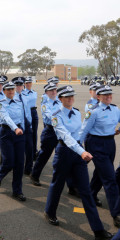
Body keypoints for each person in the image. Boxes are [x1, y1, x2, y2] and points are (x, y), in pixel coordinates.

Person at [44, 85, 113, 240]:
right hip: (64, 153)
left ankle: (98, 230)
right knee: (57, 184)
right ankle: (49, 211)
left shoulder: (76, 113)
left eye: (72, 96)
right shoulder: (56, 116)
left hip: (78, 154)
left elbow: (80, 132)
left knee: (86, 192)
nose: (70, 99)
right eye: (67, 97)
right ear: (60, 99)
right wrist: (82, 151)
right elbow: (67, 137)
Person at [80, 85, 120, 228]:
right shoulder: (93, 111)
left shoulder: (115, 109)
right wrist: (79, 150)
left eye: (110, 94)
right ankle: (117, 213)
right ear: (98, 96)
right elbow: (84, 130)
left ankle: (89, 195)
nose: (108, 96)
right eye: (105, 95)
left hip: (110, 143)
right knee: (110, 178)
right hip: (96, 143)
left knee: (101, 172)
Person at [0, 81, 27, 201]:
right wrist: (15, 128)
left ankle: (17, 191)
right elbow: (6, 117)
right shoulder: (0, 103)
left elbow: (22, 117)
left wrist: (23, 129)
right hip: (6, 133)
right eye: (8, 90)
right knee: (9, 161)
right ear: (4, 91)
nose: (11, 92)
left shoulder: (19, 102)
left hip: (19, 133)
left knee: (19, 163)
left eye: (12, 89)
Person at [30, 82, 61, 186]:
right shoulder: (45, 104)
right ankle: (34, 175)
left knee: (63, 155)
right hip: (50, 132)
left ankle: (70, 185)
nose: (53, 92)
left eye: (55, 90)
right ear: (46, 92)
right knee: (44, 155)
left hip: (60, 131)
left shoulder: (60, 101)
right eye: (51, 90)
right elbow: (51, 116)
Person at [13, 77, 33, 176]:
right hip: (18, 125)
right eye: (17, 85)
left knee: (30, 147)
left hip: (27, 123)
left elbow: (28, 111)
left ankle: (28, 168)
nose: (19, 87)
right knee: (17, 148)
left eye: (20, 85)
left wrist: (30, 123)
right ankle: (13, 166)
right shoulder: (12, 97)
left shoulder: (25, 96)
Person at [23, 76, 38, 161]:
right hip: (26, 113)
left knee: (34, 133)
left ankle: (34, 151)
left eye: (30, 83)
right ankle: (27, 151)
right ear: (24, 84)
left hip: (34, 112)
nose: (28, 84)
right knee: (28, 132)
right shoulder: (23, 93)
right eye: (27, 83)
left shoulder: (34, 92)